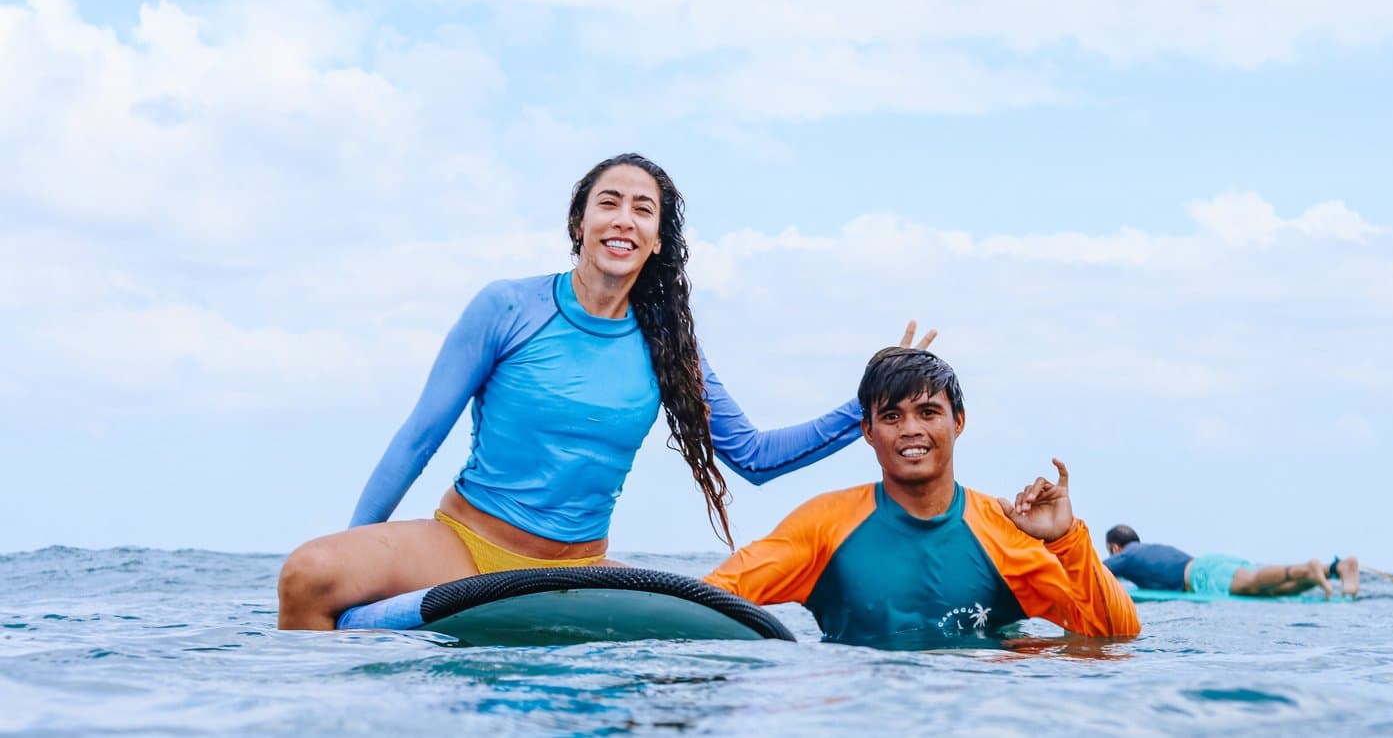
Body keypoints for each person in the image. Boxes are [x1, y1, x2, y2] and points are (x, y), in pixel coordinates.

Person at [278, 153, 931, 630]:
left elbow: (755, 458)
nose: (623, 220)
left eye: (642, 209)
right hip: (460, 549)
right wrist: (359, 565)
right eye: (609, 202)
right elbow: (419, 437)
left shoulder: (669, 346)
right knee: (309, 574)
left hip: (578, 570)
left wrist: (869, 401)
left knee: (737, 648)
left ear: (656, 240)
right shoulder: (507, 307)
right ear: (581, 221)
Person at [703, 347, 1139, 649]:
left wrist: (1065, 539)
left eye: (928, 412)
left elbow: (1116, 636)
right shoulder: (824, 525)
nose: (911, 429)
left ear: (959, 422)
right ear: (868, 433)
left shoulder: (1007, 531)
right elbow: (710, 600)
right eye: (892, 416)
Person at [1102, 525, 1360, 599]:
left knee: (1253, 582)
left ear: (1114, 548)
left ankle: (1307, 567)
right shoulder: (1150, 548)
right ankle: (1335, 568)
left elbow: (1094, 571)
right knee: (1272, 589)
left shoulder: (1126, 554)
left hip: (1201, 575)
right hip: (1211, 564)